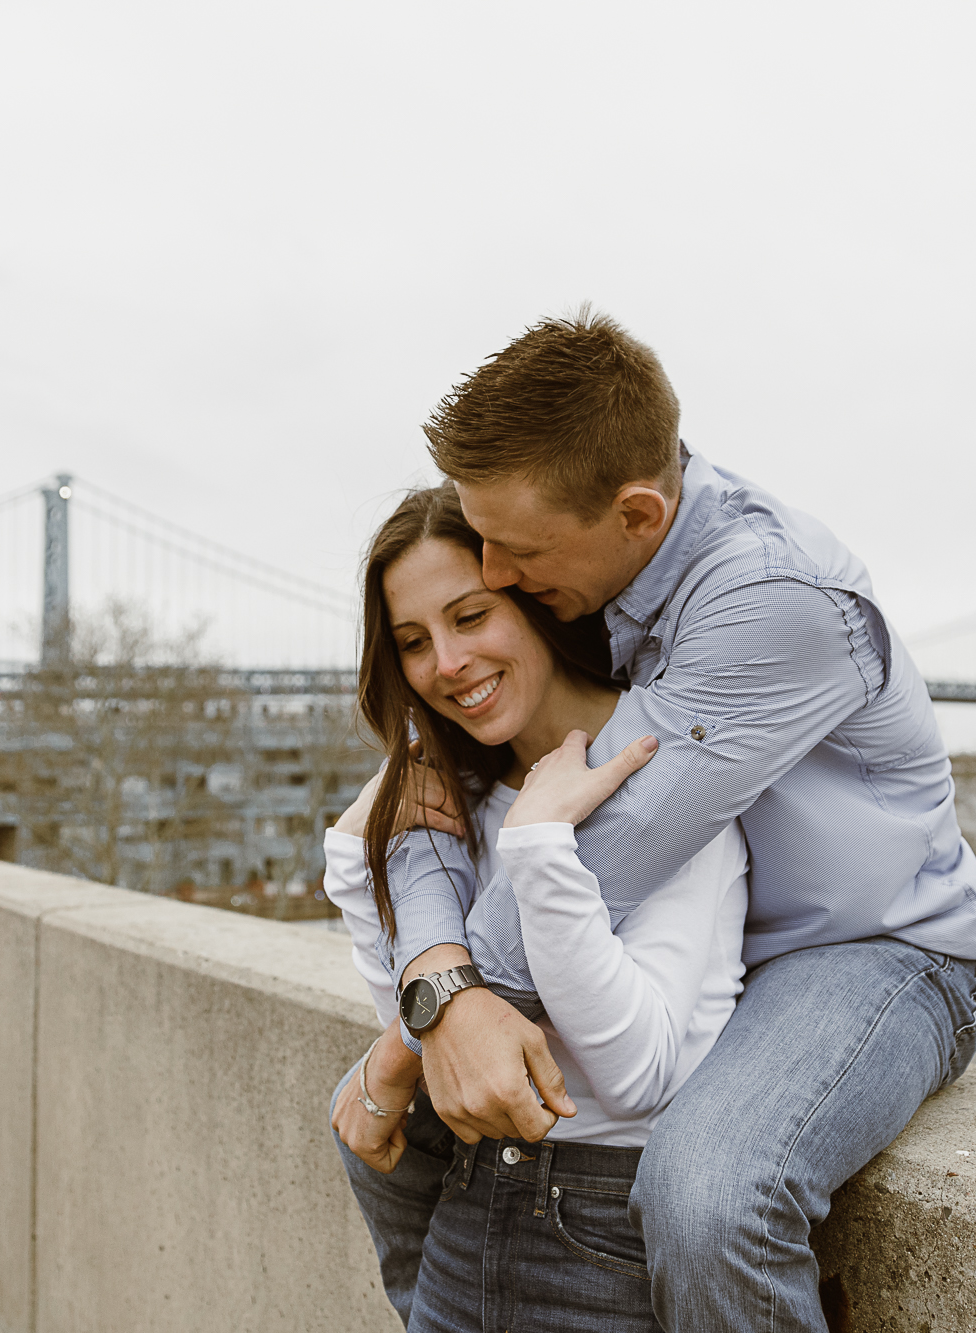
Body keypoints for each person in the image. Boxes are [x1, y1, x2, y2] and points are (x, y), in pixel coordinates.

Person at [353, 309, 976, 1332]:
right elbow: (417, 796)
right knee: (383, 1128)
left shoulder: (768, 599)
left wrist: (427, 1014)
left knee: (707, 1196)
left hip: (866, 953)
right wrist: (432, 979)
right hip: (704, 953)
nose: (497, 575)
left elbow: (605, 846)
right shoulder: (583, 563)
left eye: (512, 553)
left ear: (639, 513)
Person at [327, 485, 749, 1331]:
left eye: (471, 616)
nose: (446, 662)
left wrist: (539, 848)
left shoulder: (662, 776)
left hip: (604, 1234)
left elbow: (635, 1075)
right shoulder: (446, 802)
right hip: (464, 1208)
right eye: (413, 641)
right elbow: (436, 1035)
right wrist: (357, 842)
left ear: (534, 605)